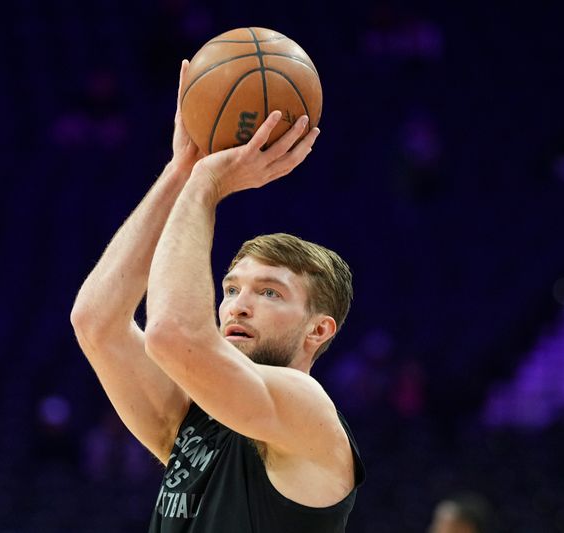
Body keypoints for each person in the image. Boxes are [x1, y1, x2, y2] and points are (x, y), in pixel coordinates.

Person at [70, 60, 365, 532]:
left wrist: (207, 186)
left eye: (269, 292)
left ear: (319, 329)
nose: (239, 304)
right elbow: (96, 321)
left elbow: (170, 334)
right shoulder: (195, 421)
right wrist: (180, 171)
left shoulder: (307, 411)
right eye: (231, 289)